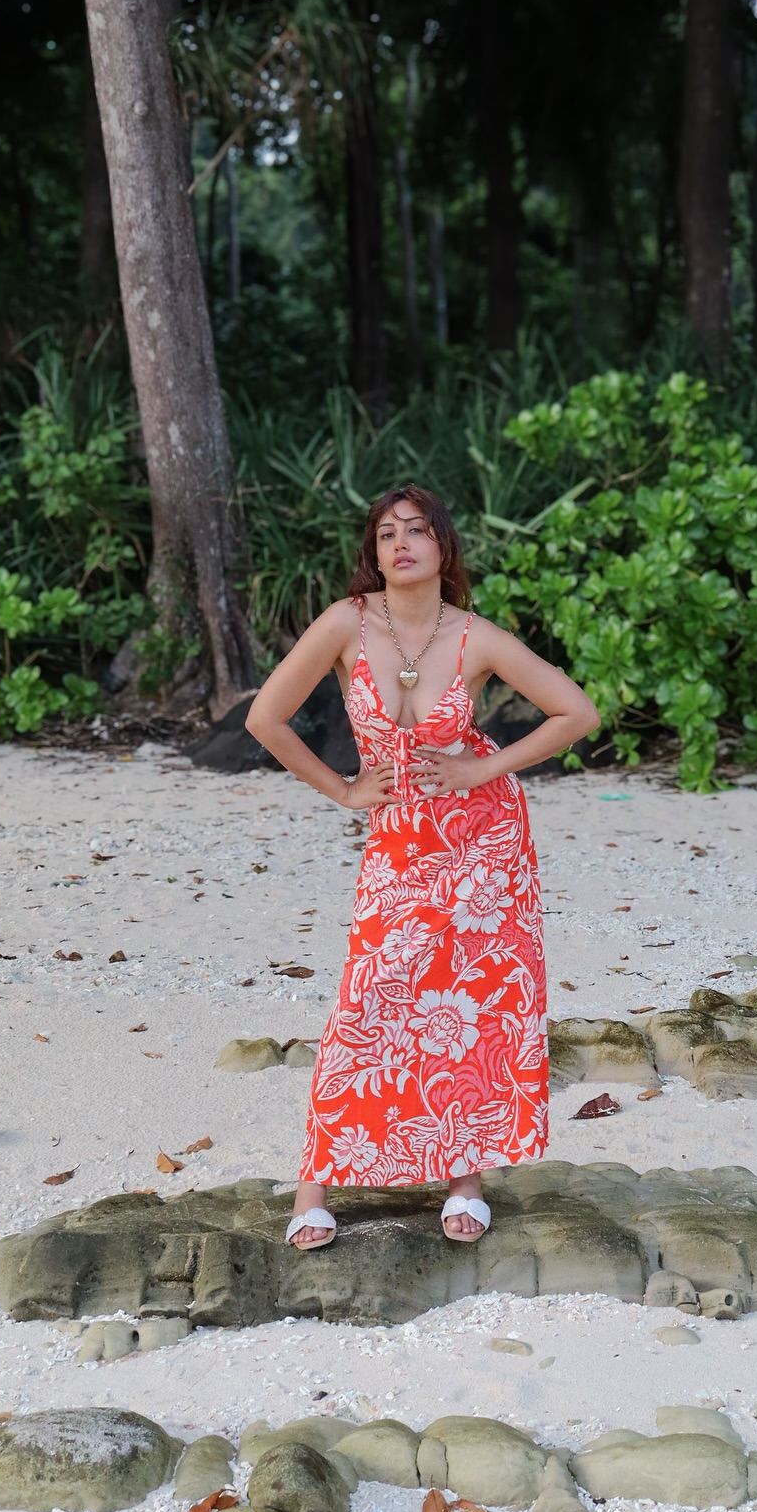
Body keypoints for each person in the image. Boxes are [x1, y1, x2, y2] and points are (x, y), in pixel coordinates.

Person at [244, 483, 600, 1250]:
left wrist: (483, 768)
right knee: (369, 993)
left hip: (483, 843)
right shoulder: (346, 623)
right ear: (373, 554)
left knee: (466, 1005)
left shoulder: (476, 637)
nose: (400, 544)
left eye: (415, 530)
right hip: (399, 839)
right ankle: (315, 1182)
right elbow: (265, 718)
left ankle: (464, 1179)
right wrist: (343, 789)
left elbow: (577, 712)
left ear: (444, 546)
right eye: (385, 534)